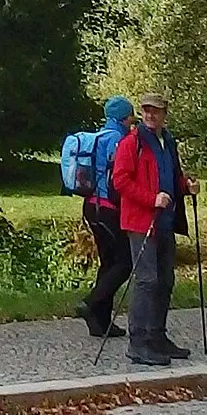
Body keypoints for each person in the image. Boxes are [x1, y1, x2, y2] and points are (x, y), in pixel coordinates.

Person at [108, 91, 198, 368]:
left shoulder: (167, 142)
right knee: (146, 281)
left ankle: (158, 336)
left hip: (165, 221)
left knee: (165, 280)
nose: (150, 115)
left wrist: (186, 186)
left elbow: (171, 176)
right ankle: (138, 343)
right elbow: (120, 181)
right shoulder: (131, 143)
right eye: (146, 110)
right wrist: (151, 199)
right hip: (140, 222)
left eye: (155, 111)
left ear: (164, 114)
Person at [75, 94, 136, 340]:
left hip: (91, 206)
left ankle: (100, 323)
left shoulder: (98, 137)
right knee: (125, 261)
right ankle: (91, 303)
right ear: (124, 117)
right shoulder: (118, 140)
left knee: (109, 262)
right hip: (109, 208)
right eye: (131, 115)